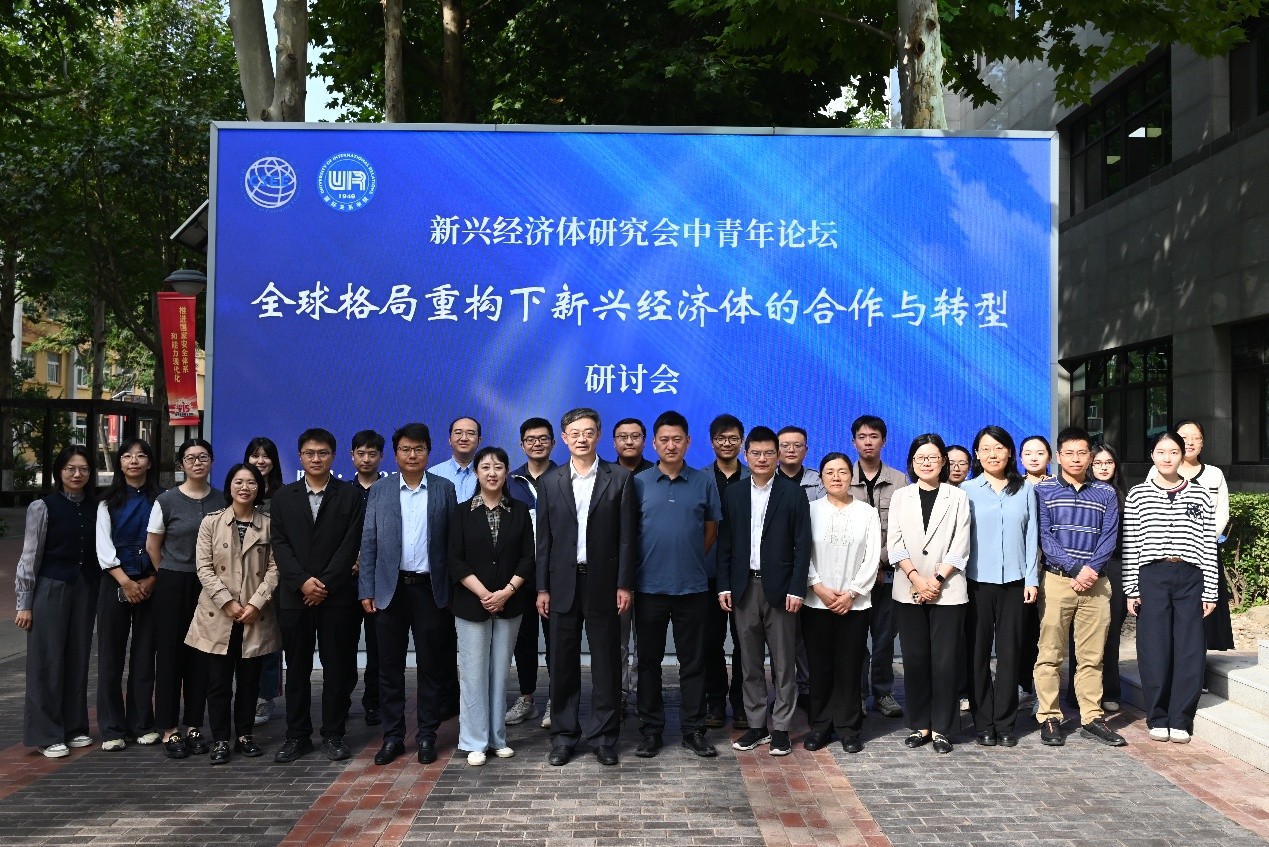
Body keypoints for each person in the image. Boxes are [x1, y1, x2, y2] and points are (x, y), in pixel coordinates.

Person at [536, 407, 639, 767]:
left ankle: (604, 737)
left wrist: (624, 584)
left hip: (604, 584)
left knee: (606, 663)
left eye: (588, 432)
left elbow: (627, 538)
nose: (582, 439)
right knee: (561, 663)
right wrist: (542, 588)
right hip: (561, 584)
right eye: (575, 433)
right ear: (564, 438)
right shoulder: (550, 481)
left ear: (598, 435)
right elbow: (544, 541)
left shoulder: (619, 478)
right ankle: (564, 736)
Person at [359, 423, 458, 767]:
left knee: (431, 666)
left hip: (431, 590)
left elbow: (452, 543)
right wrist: (366, 588)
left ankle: (427, 735)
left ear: (428, 451)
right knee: (389, 668)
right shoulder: (381, 490)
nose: (412, 455)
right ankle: (393, 737)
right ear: (395, 453)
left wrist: (452, 590)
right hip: (391, 590)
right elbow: (369, 542)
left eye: (418, 449)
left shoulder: (444, 489)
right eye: (405, 449)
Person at [270, 428, 365, 763]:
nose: (316, 459)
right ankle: (297, 736)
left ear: (333, 456)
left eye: (322, 453)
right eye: (309, 453)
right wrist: (302, 582)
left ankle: (333, 734)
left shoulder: (349, 495)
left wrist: (323, 584)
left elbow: (350, 544)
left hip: (335, 597)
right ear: (300, 457)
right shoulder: (283, 497)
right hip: (294, 597)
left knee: (336, 668)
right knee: (296, 670)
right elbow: (279, 544)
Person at [632, 411, 723, 759]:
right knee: (648, 662)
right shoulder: (638, 482)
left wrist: (689, 558)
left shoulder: (703, 482)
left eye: (677, 439)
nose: (671, 445)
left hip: (692, 588)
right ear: (654, 444)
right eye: (664, 440)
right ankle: (651, 730)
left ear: (688, 442)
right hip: (648, 588)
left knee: (693, 663)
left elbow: (710, 530)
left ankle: (693, 730)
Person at [718, 426, 811, 757]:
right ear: (746, 456)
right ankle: (757, 725)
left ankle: (782, 728)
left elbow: (802, 545)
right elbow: (726, 544)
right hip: (743, 588)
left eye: (768, 453)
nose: (761, 459)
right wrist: (724, 584)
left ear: (778, 455)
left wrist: (797, 588)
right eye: (755, 453)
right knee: (750, 662)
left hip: (782, 590)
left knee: (784, 663)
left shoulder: (793, 493)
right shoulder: (734, 494)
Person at [1033, 427, 1125, 747]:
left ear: (1090, 456)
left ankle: (1091, 716)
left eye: (1081, 453)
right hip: (1057, 581)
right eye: (1069, 453)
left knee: (1092, 655)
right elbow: (1045, 537)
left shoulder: (1105, 493)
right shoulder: (1043, 491)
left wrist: (1090, 570)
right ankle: (1049, 716)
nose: (1075, 459)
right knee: (1050, 653)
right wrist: (1074, 569)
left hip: (1096, 584)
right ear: (1059, 457)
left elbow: (1109, 537)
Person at [1124, 430, 1219, 744]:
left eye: (1174, 452)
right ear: (1152, 455)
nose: (1167, 458)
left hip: (1190, 576)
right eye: (1161, 452)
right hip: (1152, 576)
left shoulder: (1200, 494)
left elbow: (1208, 544)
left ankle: (1181, 718)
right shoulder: (1138, 495)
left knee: (1190, 647)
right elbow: (1131, 544)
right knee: (1154, 647)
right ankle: (1158, 716)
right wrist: (1131, 588)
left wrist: (1211, 590)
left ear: (1183, 455)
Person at [187, 463, 281, 765]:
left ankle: (245, 735)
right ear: (229, 486)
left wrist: (256, 603)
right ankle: (220, 739)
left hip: (254, 614)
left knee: (250, 681)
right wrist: (227, 602)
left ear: (259, 488)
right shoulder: (211, 523)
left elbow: (275, 568)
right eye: (238, 482)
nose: (245, 487)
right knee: (218, 682)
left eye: (251, 482)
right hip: (219, 614)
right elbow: (203, 567)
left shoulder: (269, 524)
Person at [448, 446, 535, 765]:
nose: (492, 472)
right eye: (485, 467)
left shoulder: (520, 511)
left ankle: (497, 738)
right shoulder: (460, 512)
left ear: (507, 472)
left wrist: (506, 593)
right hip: (471, 603)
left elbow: (528, 557)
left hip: (510, 603)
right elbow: (454, 560)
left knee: (500, 672)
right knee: (473, 674)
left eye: (498, 467)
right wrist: (486, 593)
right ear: (476, 472)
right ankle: (474, 740)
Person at [14, 445, 100, 758]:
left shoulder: (97, 507)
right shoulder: (43, 507)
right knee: (47, 661)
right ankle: (47, 734)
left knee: (78, 658)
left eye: (84, 469)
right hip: (51, 586)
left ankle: (74, 727)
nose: (77, 474)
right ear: (59, 472)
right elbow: (29, 555)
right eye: (70, 469)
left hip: (84, 587)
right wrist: (24, 602)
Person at [889, 434, 970, 754]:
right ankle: (920, 724)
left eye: (933, 457)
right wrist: (915, 578)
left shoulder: (957, 497)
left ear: (943, 462)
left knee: (945, 661)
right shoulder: (901, 496)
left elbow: (961, 544)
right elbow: (894, 543)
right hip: (908, 587)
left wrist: (935, 580)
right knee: (916, 659)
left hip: (947, 589)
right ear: (912, 462)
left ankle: (942, 728)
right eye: (920, 458)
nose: (926, 463)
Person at [147, 438, 227, 759]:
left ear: (212, 461)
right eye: (190, 458)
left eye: (203, 457)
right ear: (181, 464)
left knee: (201, 656)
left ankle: (194, 724)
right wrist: (169, 573)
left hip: (209, 586)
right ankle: (168, 728)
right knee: (169, 655)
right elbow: (153, 546)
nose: (197, 463)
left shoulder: (223, 499)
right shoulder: (166, 501)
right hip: (172, 583)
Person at [961, 426, 1038, 748]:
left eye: (999, 448)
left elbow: (1032, 536)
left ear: (1009, 452)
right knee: (976, 654)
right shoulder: (966, 491)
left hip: (1015, 584)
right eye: (986, 449)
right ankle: (983, 722)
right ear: (977, 454)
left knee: (1010, 654)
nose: (993, 454)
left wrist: (1032, 578)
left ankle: (1006, 723)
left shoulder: (1025, 490)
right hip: (976, 583)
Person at [801, 452, 880, 754]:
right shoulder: (809, 511)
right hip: (816, 602)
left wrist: (853, 593)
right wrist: (818, 587)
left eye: (842, 471)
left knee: (849, 667)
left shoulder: (866, 513)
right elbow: (801, 552)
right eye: (830, 472)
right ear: (821, 477)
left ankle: (849, 728)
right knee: (819, 667)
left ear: (852, 476)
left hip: (854, 604)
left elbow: (872, 557)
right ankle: (820, 725)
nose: (836, 477)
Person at [96, 439, 162, 751]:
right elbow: (103, 548)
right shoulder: (106, 503)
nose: (134, 461)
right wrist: (125, 582)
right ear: (120, 463)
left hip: (151, 583)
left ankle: (142, 725)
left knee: (144, 656)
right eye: (127, 456)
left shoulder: (162, 499)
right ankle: (112, 729)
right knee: (110, 657)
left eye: (140, 456)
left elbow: (168, 543)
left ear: (149, 462)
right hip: (115, 583)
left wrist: (152, 579)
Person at [1152, 420, 1233, 652]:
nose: (1190, 442)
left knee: (1204, 608)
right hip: (1166, 554)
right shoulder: (1158, 470)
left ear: (1203, 443)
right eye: (1184, 437)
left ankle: (1198, 662)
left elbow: (1222, 513)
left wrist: (1203, 540)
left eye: (1196, 438)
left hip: (1204, 551)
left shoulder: (1214, 474)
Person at [848, 415, 907, 720]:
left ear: (884, 440)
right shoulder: (843, 476)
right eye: (862, 436)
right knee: (855, 638)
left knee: (884, 638)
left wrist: (881, 560)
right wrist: (866, 567)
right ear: (853, 441)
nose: (868, 442)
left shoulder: (899, 480)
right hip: (854, 576)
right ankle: (857, 694)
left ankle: (883, 692)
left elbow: (903, 528)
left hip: (889, 573)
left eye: (874, 436)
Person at [1065, 443, 1128, 713]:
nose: (1103, 467)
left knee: (1110, 632)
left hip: (1115, 568)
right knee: (1079, 633)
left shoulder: (1124, 496)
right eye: (1098, 462)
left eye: (1109, 462)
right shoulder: (1082, 492)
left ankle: (1109, 690)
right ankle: (1076, 693)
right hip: (1083, 569)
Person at [506, 418, 558, 730]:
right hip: (520, 574)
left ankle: (556, 699)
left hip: (556, 573)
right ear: (522, 444)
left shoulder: (565, 477)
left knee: (556, 640)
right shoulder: (510, 481)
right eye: (530, 439)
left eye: (542, 438)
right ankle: (526, 699)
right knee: (523, 640)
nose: (537, 444)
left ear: (553, 442)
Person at [701, 413, 748, 729]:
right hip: (708, 572)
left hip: (744, 573)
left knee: (745, 642)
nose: (727, 443)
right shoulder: (700, 477)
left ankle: (742, 703)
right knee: (710, 641)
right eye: (721, 438)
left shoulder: (754, 476)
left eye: (733, 438)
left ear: (741, 442)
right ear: (712, 442)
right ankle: (715, 702)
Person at [610, 416, 652, 718]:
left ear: (644, 440)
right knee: (618, 641)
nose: (629, 441)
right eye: (623, 436)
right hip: (614, 572)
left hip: (650, 570)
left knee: (646, 641)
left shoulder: (656, 474)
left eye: (635, 436)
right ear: (614, 442)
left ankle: (643, 695)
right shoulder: (605, 475)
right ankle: (620, 695)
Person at [244, 436, 284, 727]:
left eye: (265, 456)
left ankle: (264, 697)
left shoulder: (283, 496)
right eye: (255, 455)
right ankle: (245, 694)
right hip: (243, 578)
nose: (260, 461)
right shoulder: (240, 491)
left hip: (275, 577)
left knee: (269, 639)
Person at [350, 429, 386, 727]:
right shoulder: (343, 491)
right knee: (345, 645)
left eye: (372, 454)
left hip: (377, 580)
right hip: (347, 579)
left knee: (377, 646)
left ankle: (374, 702)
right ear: (352, 456)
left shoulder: (388, 490)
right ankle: (342, 700)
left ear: (381, 457)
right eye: (361, 453)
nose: (366, 459)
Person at [1017, 434, 1054, 702]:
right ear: (1020, 457)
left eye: (1040, 453)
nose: (1034, 457)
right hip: (1021, 568)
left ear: (1049, 457)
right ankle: (1023, 686)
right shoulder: (1014, 487)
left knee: (1047, 631)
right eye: (1028, 453)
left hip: (1051, 567)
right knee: (1023, 629)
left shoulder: (1057, 486)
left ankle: (1044, 692)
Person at [430, 416, 482, 502]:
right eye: (458, 433)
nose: (464, 438)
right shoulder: (434, 474)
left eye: (470, 433)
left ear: (479, 440)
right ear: (450, 440)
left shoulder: (489, 475)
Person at [776, 426, 827, 501]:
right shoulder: (766, 479)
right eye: (785, 446)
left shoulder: (818, 481)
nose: (791, 450)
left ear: (805, 450)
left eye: (797, 445)